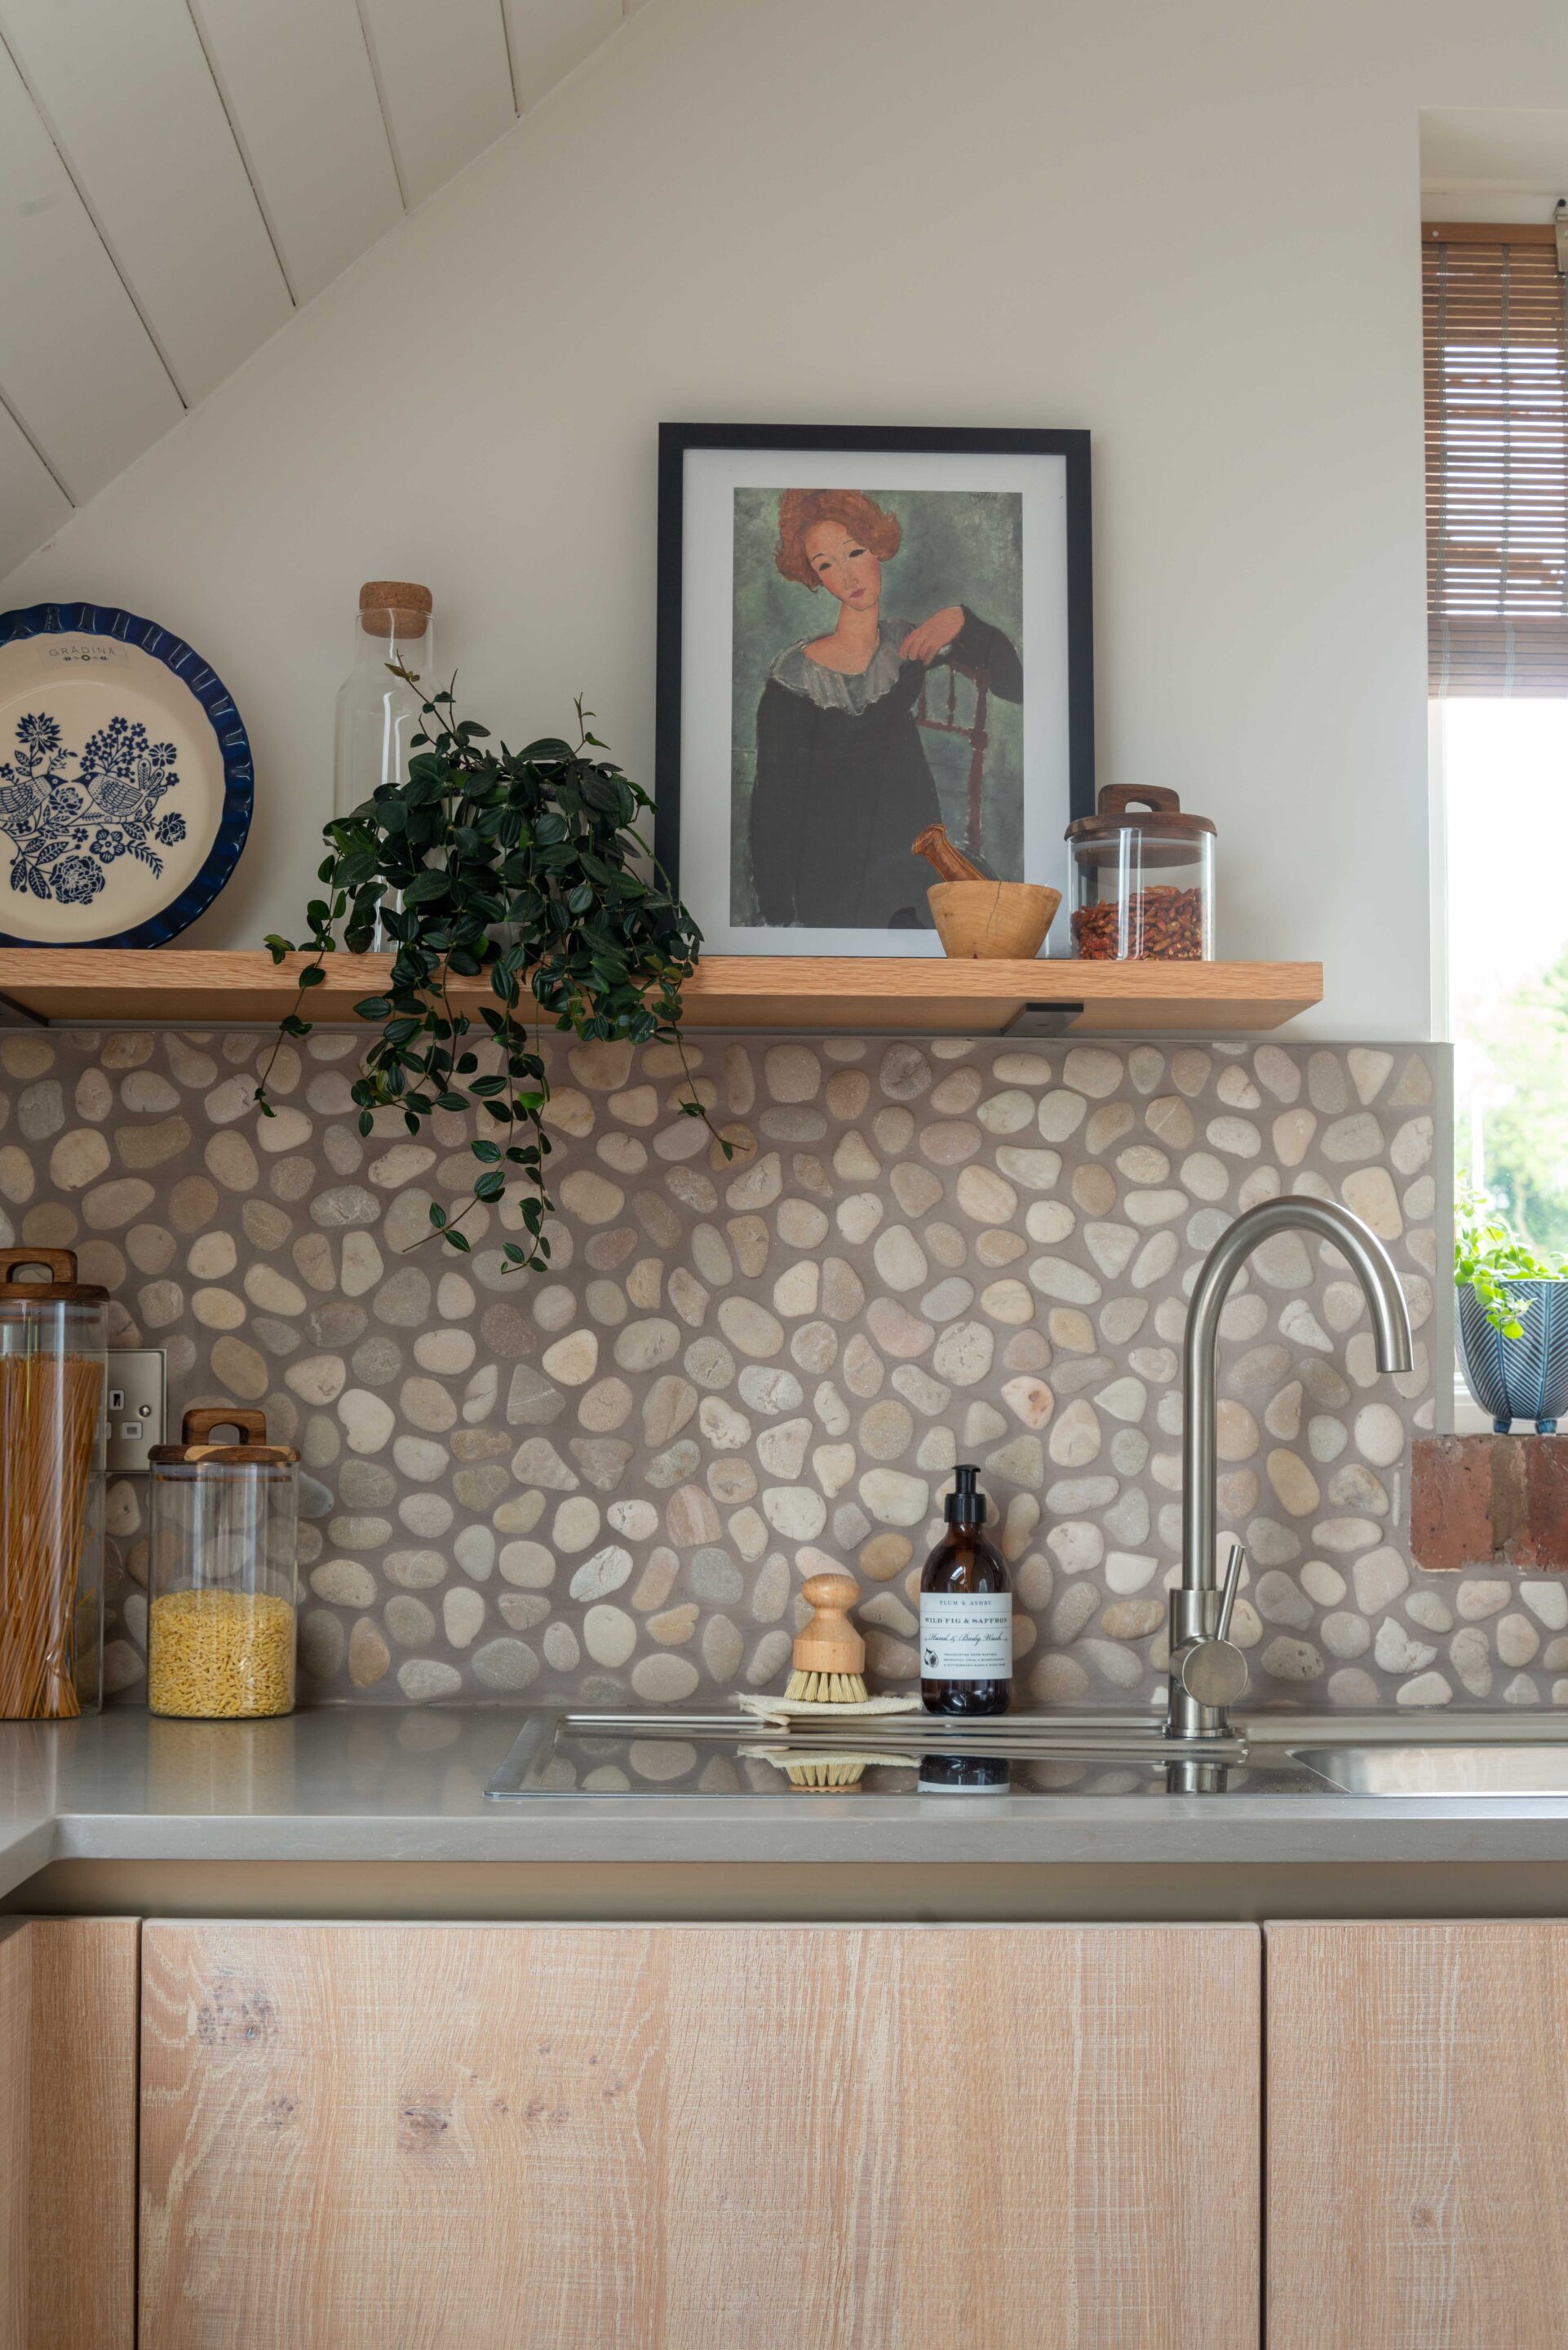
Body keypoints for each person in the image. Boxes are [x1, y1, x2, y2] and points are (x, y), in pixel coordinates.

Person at [746, 488, 1021, 927]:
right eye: (825, 565)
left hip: (915, 857)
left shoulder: (905, 643)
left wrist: (961, 619)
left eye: (854, 552)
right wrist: (780, 917)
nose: (847, 574)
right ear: (815, 578)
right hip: (832, 876)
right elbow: (773, 807)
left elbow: (1017, 685)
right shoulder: (794, 675)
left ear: (878, 547)